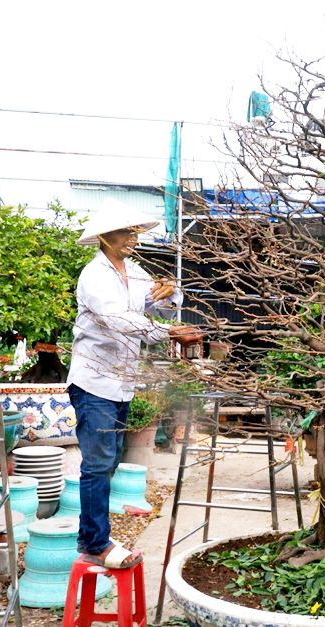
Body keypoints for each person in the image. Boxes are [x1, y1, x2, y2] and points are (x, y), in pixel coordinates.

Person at [67, 198, 200, 568]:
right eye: (126, 231)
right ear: (105, 235)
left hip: (121, 381)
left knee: (106, 463)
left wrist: (170, 292)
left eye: (135, 231)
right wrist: (169, 332)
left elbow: (158, 306)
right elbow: (118, 320)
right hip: (94, 382)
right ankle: (94, 542)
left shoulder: (135, 272)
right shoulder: (94, 276)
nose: (133, 238)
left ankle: (98, 535)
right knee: (97, 464)